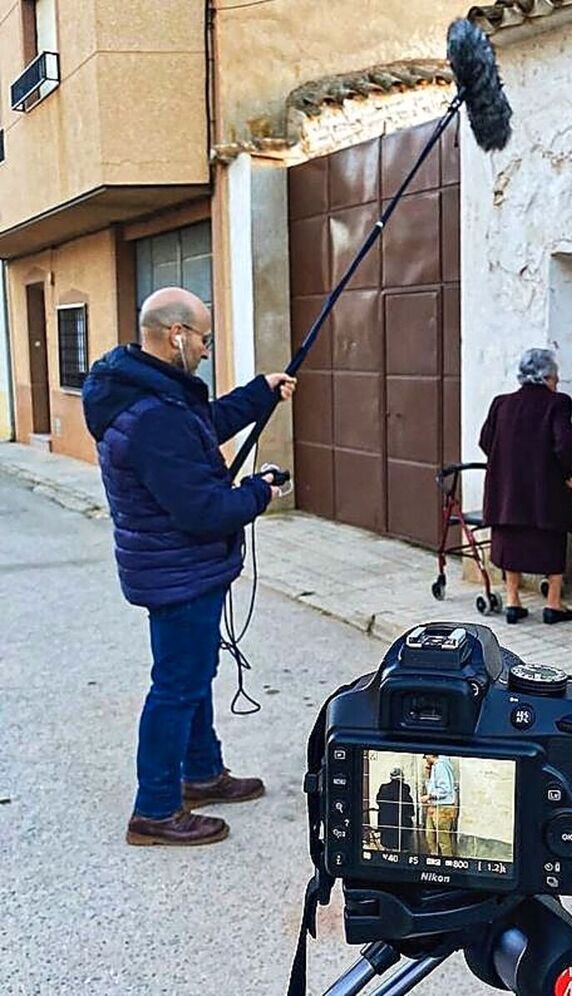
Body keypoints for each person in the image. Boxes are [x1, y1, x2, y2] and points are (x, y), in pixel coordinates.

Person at [82, 286, 296, 846]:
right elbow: (204, 509)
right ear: (176, 335)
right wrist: (259, 491)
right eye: (203, 337)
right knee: (177, 686)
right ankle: (154, 808)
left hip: (180, 567)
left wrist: (258, 394)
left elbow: (202, 430)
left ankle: (200, 773)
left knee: (193, 676)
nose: (206, 348)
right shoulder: (150, 413)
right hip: (177, 569)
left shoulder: (152, 392)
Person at [479, 348, 572, 625]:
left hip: (507, 490)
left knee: (511, 540)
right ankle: (553, 604)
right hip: (545, 490)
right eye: (556, 376)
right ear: (548, 376)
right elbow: (565, 444)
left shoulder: (501, 403)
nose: (558, 381)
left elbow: (485, 441)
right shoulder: (558, 403)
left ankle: (513, 602)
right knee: (550, 541)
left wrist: (507, 463)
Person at [421, 754, 458, 857]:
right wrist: (428, 770)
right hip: (434, 806)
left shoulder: (441, 766)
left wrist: (429, 796)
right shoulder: (435, 767)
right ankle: (434, 859)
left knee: (443, 840)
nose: (426, 759)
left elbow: (445, 789)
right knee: (430, 836)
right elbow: (431, 786)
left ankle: (447, 862)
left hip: (443, 806)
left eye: (426, 756)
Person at [375, 767, 416, 852]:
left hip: (386, 825)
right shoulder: (404, 789)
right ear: (401, 778)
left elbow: (378, 801)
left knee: (388, 848)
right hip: (401, 826)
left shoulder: (383, 788)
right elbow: (410, 809)